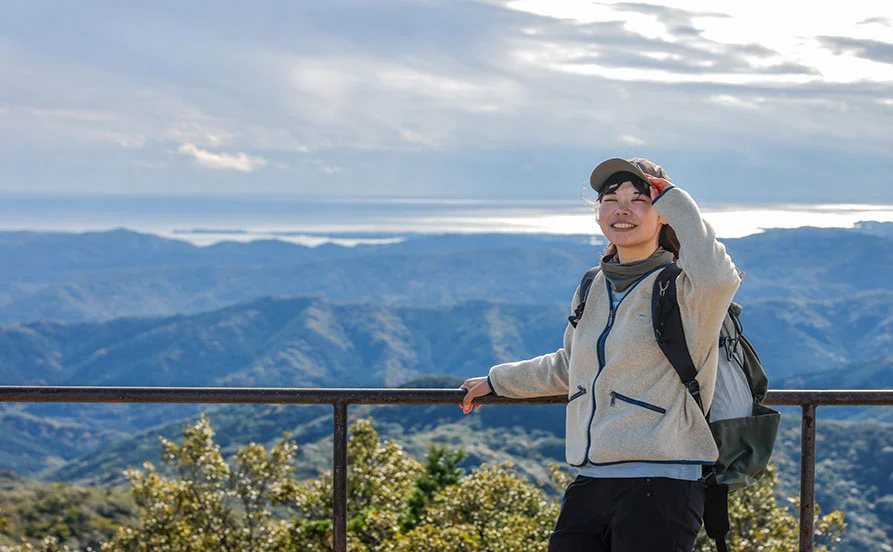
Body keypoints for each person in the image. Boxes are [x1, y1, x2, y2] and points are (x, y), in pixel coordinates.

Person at [459, 158, 742, 552]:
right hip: (592, 479)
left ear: (663, 215)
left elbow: (720, 277)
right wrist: (497, 381)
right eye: (611, 200)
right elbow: (569, 365)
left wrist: (675, 199)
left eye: (639, 200)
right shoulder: (593, 285)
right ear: (598, 213)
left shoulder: (685, 290)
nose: (622, 210)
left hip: (664, 483)